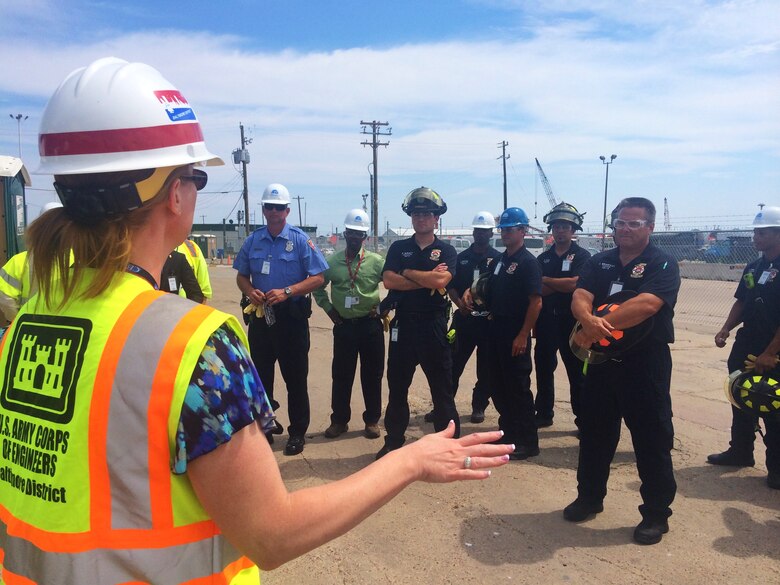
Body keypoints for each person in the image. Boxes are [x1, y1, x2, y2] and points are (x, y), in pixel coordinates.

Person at [0, 57, 513, 585]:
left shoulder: (23, 330)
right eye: (196, 176)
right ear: (174, 194)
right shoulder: (191, 347)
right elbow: (271, 533)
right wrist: (411, 462)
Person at [565, 197, 681, 546]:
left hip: (644, 365)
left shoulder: (662, 264)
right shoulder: (599, 261)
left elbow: (645, 305)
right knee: (595, 434)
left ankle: (656, 514)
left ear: (650, 226)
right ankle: (589, 498)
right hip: (601, 364)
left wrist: (591, 328)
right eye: (620, 222)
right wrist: (586, 319)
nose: (625, 229)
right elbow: (580, 295)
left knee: (651, 439)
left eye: (634, 223)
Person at [234, 182, 328, 456]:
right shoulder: (253, 240)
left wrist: (288, 292)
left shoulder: (299, 240)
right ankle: (265, 426)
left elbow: (319, 277)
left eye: (278, 207)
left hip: (291, 319)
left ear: (287, 211)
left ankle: (297, 432)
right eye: (268, 207)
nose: (273, 212)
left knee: (295, 378)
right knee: (261, 378)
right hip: (262, 318)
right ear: (263, 210)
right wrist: (249, 290)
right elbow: (241, 275)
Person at [377, 187, 460, 459]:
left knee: (442, 389)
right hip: (403, 326)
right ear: (410, 218)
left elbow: (440, 282)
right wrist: (424, 279)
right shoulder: (399, 247)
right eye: (416, 214)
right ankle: (393, 440)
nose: (421, 218)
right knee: (397, 387)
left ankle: (448, 446)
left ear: (437, 218)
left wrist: (408, 272)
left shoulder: (446, 250)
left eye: (427, 214)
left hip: (434, 326)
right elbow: (388, 281)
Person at [709, 206, 780, 489]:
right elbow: (742, 301)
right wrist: (726, 328)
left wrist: (771, 352)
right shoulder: (754, 267)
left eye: (761, 232)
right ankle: (740, 452)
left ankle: (776, 469)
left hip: (772, 348)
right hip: (746, 343)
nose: (755, 237)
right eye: (754, 232)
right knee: (739, 396)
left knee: (772, 404)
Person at [473, 207, 543, 460]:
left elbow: (536, 302)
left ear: (523, 231)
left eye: (510, 229)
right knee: (497, 384)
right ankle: (509, 433)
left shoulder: (528, 263)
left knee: (518, 388)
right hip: (496, 330)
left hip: (515, 332)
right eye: (502, 229)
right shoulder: (502, 259)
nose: (505, 233)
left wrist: (524, 334)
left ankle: (528, 441)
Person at [313, 208, 385, 440]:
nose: (355, 237)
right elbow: (317, 287)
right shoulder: (332, 262)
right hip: (344, 326)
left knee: (372, 375)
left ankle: (372, 420)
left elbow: (395, 283)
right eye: (351, 233)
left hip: (371, 325)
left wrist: (385, 307)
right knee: (342, 375)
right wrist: (330, 311)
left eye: (359, 234)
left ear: (366, 237)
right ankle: (339, 421)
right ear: (345, 233)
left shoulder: (376, 262)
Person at [438, 210, 500, 424]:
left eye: (484, 231)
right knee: (452, 364)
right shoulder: (461, 258)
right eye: (477, 231)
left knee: (486, 368)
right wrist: (459, 304)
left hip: (487, 323)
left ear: (491, 233)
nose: (480, 234)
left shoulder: (497, 260)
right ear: (473, 232)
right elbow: (451, 286)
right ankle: (444, 407)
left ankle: (479, 406)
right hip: (464, 320)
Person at [534, 202, 591, 430]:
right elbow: (539, 288)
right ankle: (544, 413)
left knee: (577, 373)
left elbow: (576, 285)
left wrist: (548, 281)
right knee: (544, 369)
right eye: (556, 226)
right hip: (547, 321)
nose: (560, 231)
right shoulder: (543, 259)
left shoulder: (582, 256)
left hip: (572, 323)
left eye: (565, 226)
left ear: (573, 229)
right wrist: (559, 285)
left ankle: (583, 419)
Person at [0, 202, 63, 325]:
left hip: (27, 329)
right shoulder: (78, 261)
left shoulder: (19, 261)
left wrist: (17, 320)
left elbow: (5, 298)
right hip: (65, 329)